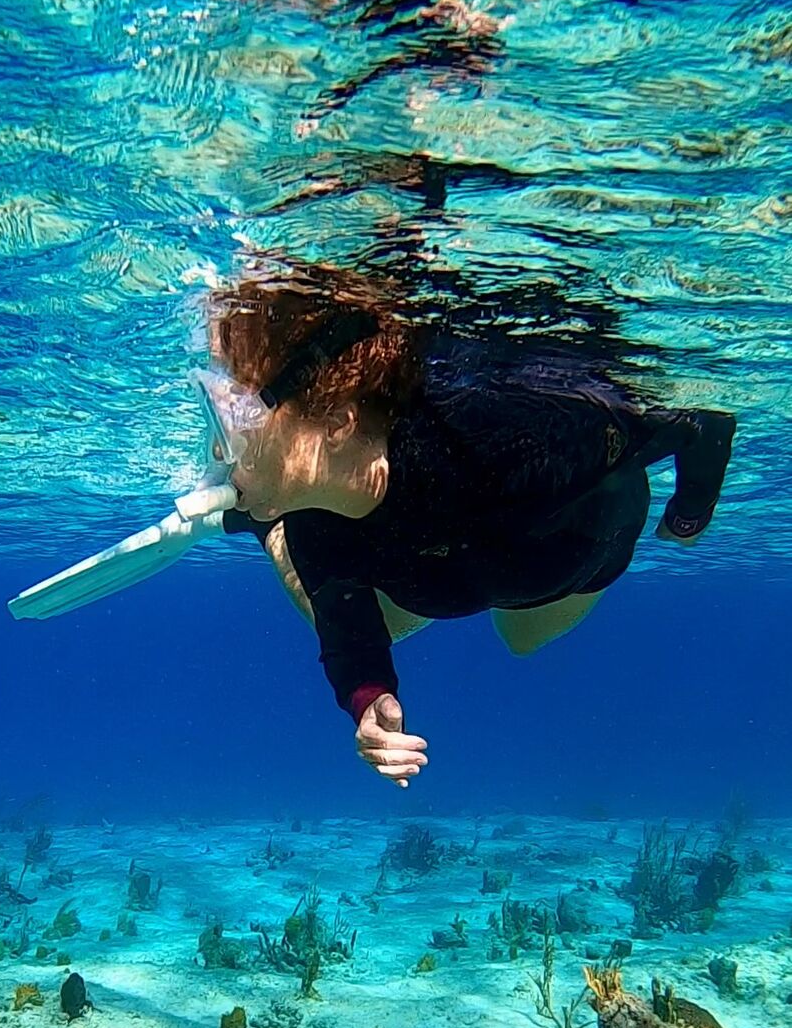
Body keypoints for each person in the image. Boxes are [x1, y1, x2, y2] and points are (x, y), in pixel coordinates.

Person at [206, 269, 735, 788]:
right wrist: (369, 699)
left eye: (238, 418)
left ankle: (262, 517)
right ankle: (265, 519)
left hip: (572, 554)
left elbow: (700, 425)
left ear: (339, 423)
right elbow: (346, 624)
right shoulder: (312, 520)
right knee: (350, 600)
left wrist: (686, 518)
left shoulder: (501, 440)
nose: (215, 449)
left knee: (521, 640)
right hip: (434, 572)